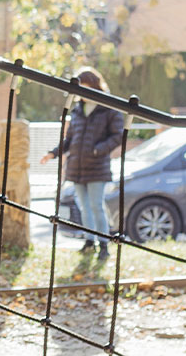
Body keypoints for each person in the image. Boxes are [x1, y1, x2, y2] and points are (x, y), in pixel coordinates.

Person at [40, 67, 125, 261]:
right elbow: (70, 140)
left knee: (96, 205)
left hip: (97, 167)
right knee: (84, 207)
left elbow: (117, 136)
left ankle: (104, 244)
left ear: (94, 86)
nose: (82, 93)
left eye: (85, 88)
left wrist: (97, 150)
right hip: (77, 168)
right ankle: (89, 241)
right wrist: (53, 153)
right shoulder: (78, 110)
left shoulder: (108, 108)